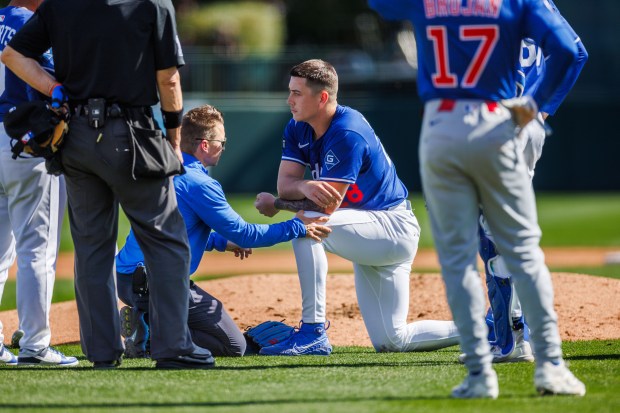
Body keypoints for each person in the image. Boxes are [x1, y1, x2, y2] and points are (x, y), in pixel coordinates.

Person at [369, 0, 585, 399]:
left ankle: (479, 374)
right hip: (495, 120)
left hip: (439, 126)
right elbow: (570, 51)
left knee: (456, 259)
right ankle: (550, 366)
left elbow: (378, 5)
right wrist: (535, 108)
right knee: (522, 250)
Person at [1, 0, 212, 369]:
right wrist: (175, 140)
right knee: (166, 241)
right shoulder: (152, 4)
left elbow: (14, 55)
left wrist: (55, 90)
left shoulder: (60, 5)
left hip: (75, 136)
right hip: (132, 133)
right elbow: (169, 79)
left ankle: (101, 352)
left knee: (91, 248)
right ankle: (174, 347)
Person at [254, 59, 460, 356]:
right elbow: (286, 183)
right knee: (392, 341)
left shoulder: (347, 131)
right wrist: (301, 186)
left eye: (297, 93)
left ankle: (312, 333)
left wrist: (276, 204)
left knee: (308, 225)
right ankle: (483, 326)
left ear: (322, 97)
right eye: (290, 91)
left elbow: (321, 208)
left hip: (393, 227)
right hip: (368, 229)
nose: (290, 100)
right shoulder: (298, 126)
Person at [115, 104, 331, 358]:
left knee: (204, 324)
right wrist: (297, 227)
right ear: (205, 145)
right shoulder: (201, 184)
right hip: (161, 283)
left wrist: (219, 242)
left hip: (126, 280)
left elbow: (173, 232)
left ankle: (145, 323)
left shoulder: (159, 171)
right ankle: (150, 331)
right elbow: (245, 234)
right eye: (221, 142)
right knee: (233, 345)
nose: (224, 147)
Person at [479, 0, 588, 364]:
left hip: (492, 121)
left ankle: (513, 338)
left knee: (493, 233)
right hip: (525, 123)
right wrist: (539, 110)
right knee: (506, 228)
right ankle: (513, 329)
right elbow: (574, 54)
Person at [0, 0, 76, 367]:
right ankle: (35, 344)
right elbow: (51, 80)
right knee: (37, 249)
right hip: (23, 139)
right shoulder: (32, 24)